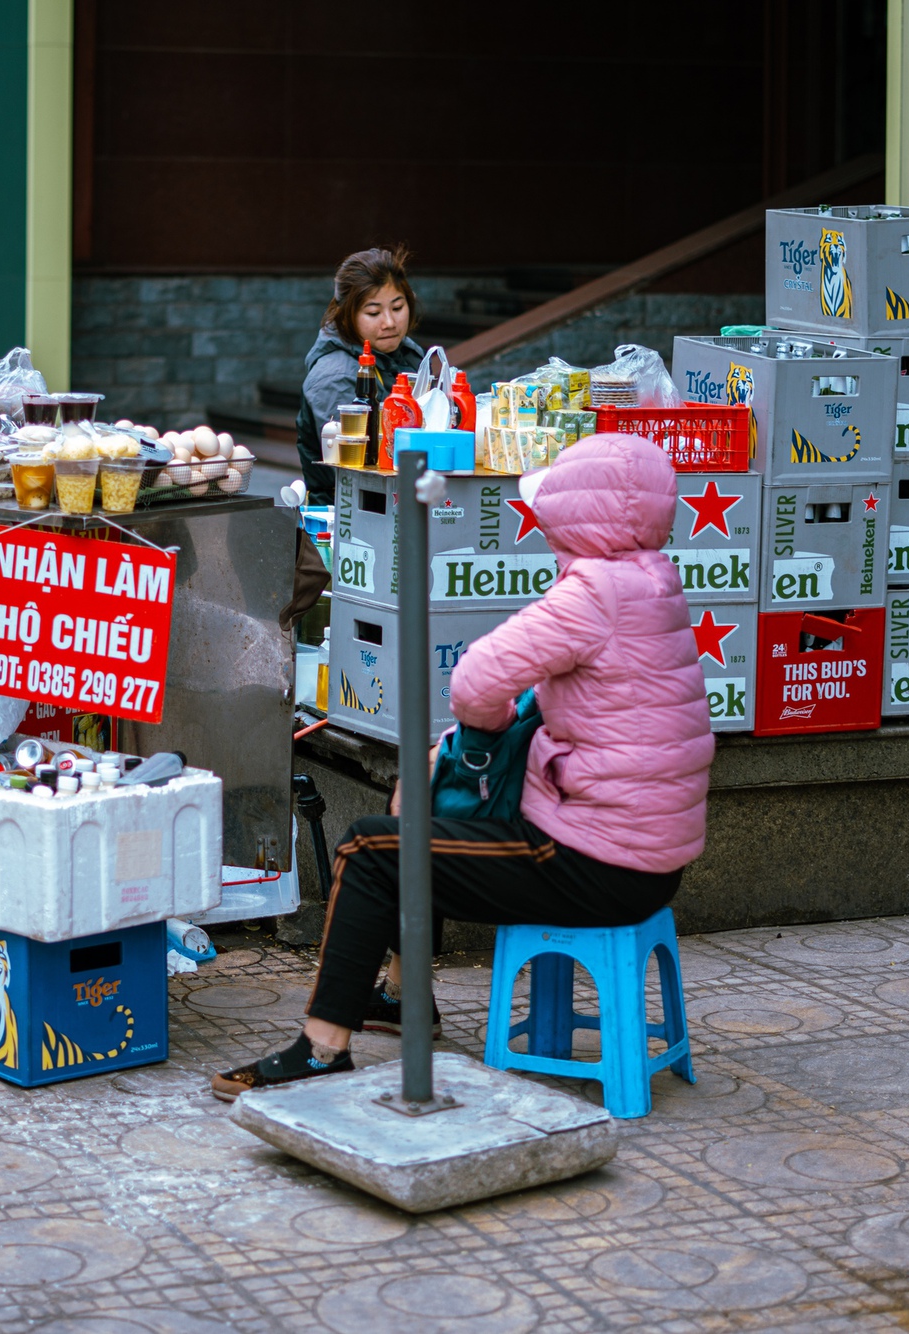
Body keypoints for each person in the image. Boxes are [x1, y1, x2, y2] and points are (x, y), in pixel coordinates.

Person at [213, 434, 715, 1099]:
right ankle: (397, 994)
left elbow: (477, 682)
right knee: (420, 800)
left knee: (370, 849)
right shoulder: (654, 579)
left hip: (591, 859)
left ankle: (322, 1046)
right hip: (649, 859)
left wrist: (486, 735)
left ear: (577, 517)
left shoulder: (595, 591)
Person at [293, 246, 426, 498]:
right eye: (373, 312)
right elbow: (357, 471)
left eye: (397, 307)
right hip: (350, 512)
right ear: (347, 315)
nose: (389, 322)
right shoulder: (335, 376)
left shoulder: (408, 353)